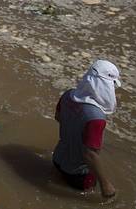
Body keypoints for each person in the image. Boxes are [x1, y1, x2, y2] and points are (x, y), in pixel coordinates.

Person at [52, 59, 121, 198]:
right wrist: (105, 184)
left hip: (58, 158)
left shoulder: (68, 95)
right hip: (78, 174)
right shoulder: (96, 118)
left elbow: (58, 117)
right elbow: (89, 154)